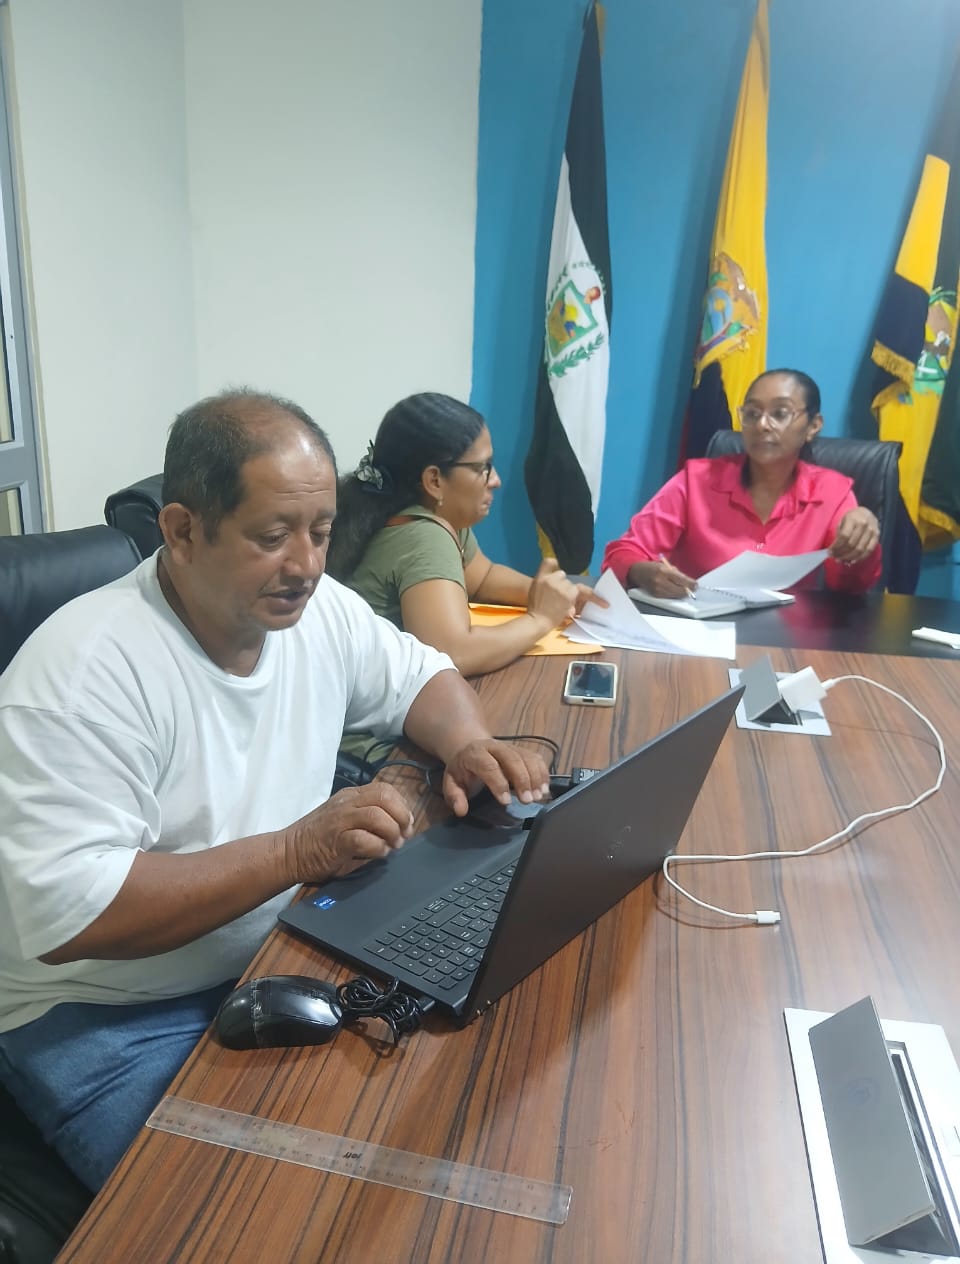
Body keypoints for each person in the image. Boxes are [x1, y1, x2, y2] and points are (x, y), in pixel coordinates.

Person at [0, 389, 549, 1194]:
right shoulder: (85, 675)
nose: (308, 565)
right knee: (237, 1212)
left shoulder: (315, 612)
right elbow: (69, 914)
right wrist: (295, 851)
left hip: (272, 949)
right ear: (182, 531)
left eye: (321, 532)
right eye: (272, 537)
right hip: (102, 1011)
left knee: (434, 1123)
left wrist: (468, 744)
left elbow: (422, 676)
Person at [327, 392, 605, 677]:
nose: (495, 480)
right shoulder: (423, 535)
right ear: (434, 480)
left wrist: (549, 595)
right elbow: (453, 654)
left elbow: (482, 577)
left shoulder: (417, 511)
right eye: (483, 468)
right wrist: (540, 619)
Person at [602, 369, 882, 597]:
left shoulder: (833, 493)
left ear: (813, 426)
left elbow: (849, 586)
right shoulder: (696, 481)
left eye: (780, 414)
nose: (762, 425)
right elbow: (622, 552)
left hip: (788, 635)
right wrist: (641, 573)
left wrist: (861, 545)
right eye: (752, 413)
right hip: (699, 630)